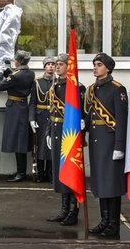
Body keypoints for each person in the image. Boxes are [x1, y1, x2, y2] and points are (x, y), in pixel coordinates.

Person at [83, 53, 128, 238]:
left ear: (108, 68)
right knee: (101, 183)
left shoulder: (118, 89)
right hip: (96, 140)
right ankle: (104, 220)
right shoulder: (92, 89)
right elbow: (90, 113)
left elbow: (122, 120)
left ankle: (114, 224)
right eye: (94, 64)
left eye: (99, 64)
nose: (95, 67)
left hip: (110, 142)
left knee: (111, 184)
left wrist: (120, 145)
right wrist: (83, 123)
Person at [45, 53, 86, 226]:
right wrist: (48, 132)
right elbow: (52, 111)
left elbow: (81, 112)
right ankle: (64, 209)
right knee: (60, 171)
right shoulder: (55, 86)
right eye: (56, 64)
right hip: (56, 131)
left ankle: (73, 211)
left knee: (71, 170)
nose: (57, 67)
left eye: (61, 64)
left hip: (69, 134)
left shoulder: (77, 87)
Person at [0, 50, 35, 182]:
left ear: (18, 61)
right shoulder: (30, 73)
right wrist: (9, 71)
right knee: (20, 139)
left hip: (15, 108)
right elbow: (15, 76)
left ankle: (21, 172)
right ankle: (21, 171)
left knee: (18, 141)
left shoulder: (16, 76)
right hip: (22, 106)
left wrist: (1, 73)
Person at [29, 56, 56, 183]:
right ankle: (40, 172)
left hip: (53, 116)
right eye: (48, 64)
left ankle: (51, 172)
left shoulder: (59, 81)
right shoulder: (37, 82)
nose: (51, 66)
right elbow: (33, 102)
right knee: (39, 145)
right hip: (40, 116)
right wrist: (32, 118)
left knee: (51, 145)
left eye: (53, 64)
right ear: (44, 67)